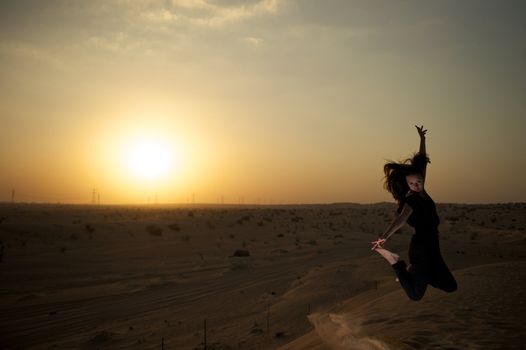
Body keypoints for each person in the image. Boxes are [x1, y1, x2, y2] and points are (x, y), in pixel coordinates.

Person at [371, 125, 457, 301]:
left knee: (450, 286)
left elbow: (422, 163)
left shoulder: (422, 190)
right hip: (421, 249)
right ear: (407, 185)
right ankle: (396, 262)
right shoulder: (412, 200)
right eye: (412, 184)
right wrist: (385, 236)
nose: (416, 185)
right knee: (415, 295)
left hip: (434, 248)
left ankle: (412, 273)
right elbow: (401, 219)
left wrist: (422, 139)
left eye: (418, 181)